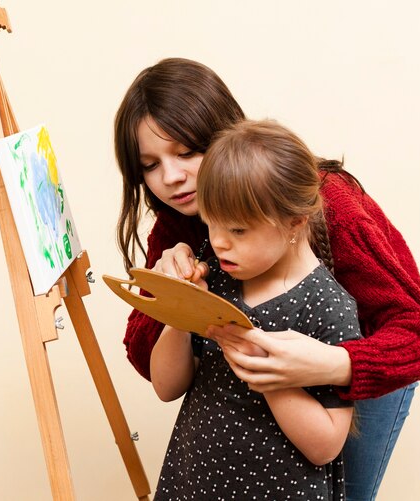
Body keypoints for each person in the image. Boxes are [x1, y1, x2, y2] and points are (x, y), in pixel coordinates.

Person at [113, 57, 420, 501]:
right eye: (150, 165)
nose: (171, 177)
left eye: (187, 152)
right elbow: (148, 360)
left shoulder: (329, 205)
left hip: (365, 373)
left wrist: (329, 364)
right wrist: (169, 298)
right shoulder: (176, 222)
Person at [151, 118, 361, 500]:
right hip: (194, 483)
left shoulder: (326, 305)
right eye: (210, 225)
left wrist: (264, 371)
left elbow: (327, 445)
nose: (218, 243)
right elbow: (166, 387)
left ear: (295, 221)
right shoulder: (217, 273)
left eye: (238, 231)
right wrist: (178, 313)